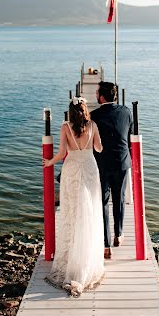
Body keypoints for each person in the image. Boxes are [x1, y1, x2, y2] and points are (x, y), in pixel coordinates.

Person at [42, 97, 104, 297]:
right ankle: (86, 261)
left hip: (71, 171)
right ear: (85, 110)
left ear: (70, 112)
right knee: (89, 213)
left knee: (71, 213)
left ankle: (70, 261)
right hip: (89, 168)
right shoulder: (93, 125)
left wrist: (49, 162)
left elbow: (61, 154)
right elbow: (99, 148)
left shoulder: (65, 127)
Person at [91, 81, 133, 259]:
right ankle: (119, 234)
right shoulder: (126, 111)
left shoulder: (93, 116)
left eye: (96, 92)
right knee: (119, 199)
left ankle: (106, 245)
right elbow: (130, 136)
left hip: (101, 164)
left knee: (102, 203)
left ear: (101, 97)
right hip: (122, 162)